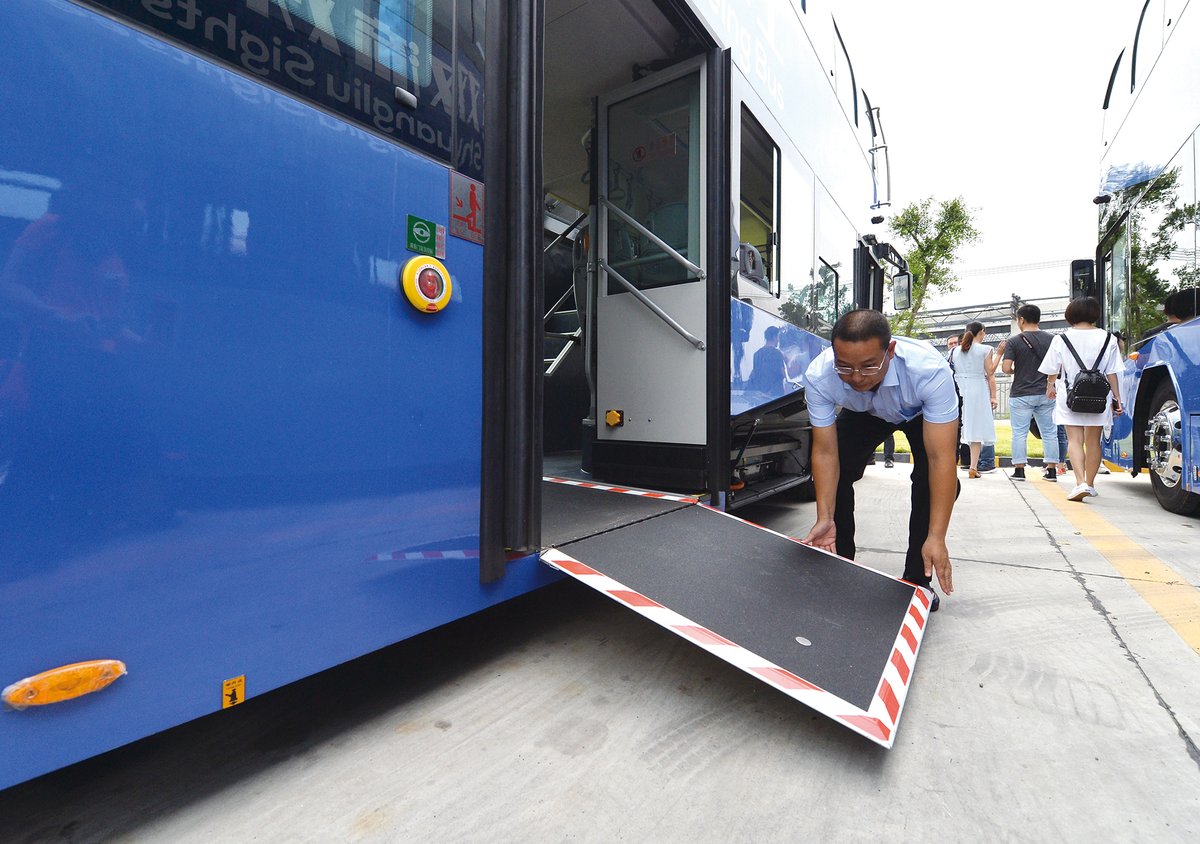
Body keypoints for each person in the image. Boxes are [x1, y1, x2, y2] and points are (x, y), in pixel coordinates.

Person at [801, 309, 959, 609]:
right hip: (867, 412)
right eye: (844, 367)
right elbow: (824, 452)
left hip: (919, 411)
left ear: (891, 350)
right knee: (837, 473)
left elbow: (942, 459)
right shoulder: (820, 375)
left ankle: (917, 579)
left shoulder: (928, 371)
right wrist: (824, 515)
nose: (857, 377)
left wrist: (937, 536)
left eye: (869, 366)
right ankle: (840, 560)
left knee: (930, 481)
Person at [1038, 296, 1124, 502]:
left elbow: (1053, 370)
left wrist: (1050, 386)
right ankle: (1091, 484)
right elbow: (1112, 372)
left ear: (1071, 314)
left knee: (1074, 439)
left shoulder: (1061, 339)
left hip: (1070, 394)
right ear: (1095, 314)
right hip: (1099, 396)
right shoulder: (1108, 338)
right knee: (1093, 441)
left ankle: (1079, 483)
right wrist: (1117, 398)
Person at [1002, 304, 1060, 481]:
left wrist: (1016, 371)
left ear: (1021, 320)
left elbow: (1005, 368)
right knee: (1050, 432)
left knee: (1019, 433)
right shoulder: (1052, 339)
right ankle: (1051, 470)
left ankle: (1019, 470)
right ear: (1039, 319)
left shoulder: (1013, 341)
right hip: (1046, 392)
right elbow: (1057, 366)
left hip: (1021, 393)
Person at [953, 321, 1001, 479]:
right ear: (981, 332)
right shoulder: (985, 349)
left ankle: (970, 466)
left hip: (961, 389)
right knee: (978, 428)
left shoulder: (955, 351)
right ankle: (973, 466)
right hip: (978, 389)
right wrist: (1000, 353)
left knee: (965, 427)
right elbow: (990, 371)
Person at [747, 324, 787, 396]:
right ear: (774, 337)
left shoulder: (757, 354)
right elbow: (784, 374)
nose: (778, 340)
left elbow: (755, 374)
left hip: (762, 396)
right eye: (778, 337)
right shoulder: (777, 353)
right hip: (776, 395)